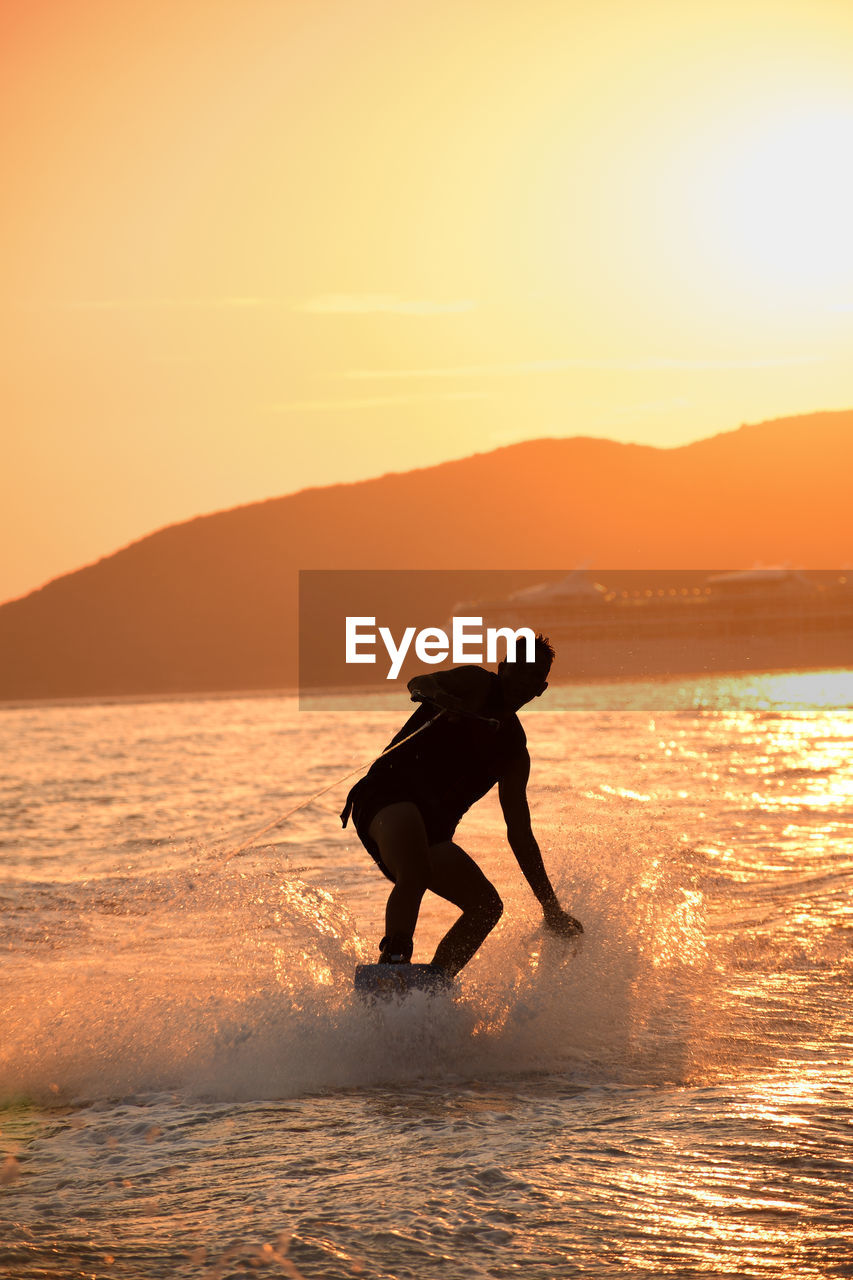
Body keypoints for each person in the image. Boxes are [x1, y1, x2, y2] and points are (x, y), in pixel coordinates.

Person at [340, 634, 582, 979]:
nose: (525, 680)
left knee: (486, 907)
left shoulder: (513, 751)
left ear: (541, 688)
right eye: (520, 668)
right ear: (503, 668)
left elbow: (520, 833)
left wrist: (551, 907)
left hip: (431, 832)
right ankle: (392, 962)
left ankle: (432, 986)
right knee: (417, 869)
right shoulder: (474, 683)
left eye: (534, 675)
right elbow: (419, 682)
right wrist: (441, 698)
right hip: (384, 799)